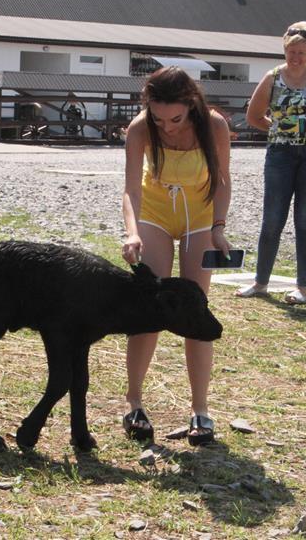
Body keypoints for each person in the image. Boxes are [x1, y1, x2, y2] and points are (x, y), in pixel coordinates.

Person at [121, 66, 232, 446]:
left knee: (195, 309)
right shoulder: (140, 128)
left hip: (199, 217)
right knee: (149, 305)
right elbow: (131, 190)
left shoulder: (214, 125)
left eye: (175, 118)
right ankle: (134, 401)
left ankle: (200, 409)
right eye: (158, 118)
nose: (166, 126)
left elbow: (222, 180)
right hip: (154, 212)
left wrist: (218, 226)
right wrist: (132, 231)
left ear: (191, 104)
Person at [236, 22, 306, 304]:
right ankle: (260, 281)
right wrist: (277, 128)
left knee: (304, 220)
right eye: (291, 52)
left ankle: (302, 287)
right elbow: (253, 115)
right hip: (280, 154)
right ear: (285, 51)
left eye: (301, 52)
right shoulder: (273, 77)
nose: (296, 57)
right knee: (272, 218)